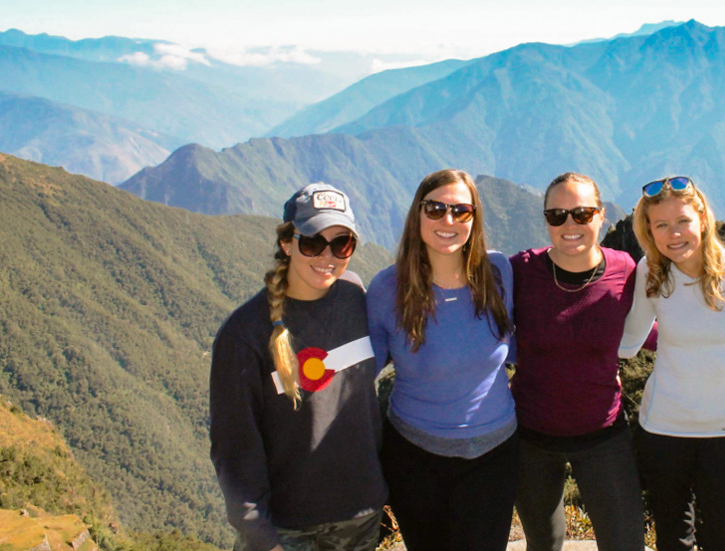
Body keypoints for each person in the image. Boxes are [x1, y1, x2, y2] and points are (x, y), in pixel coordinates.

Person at [209, 183, 387, 551]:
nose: (328, 255)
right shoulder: (245, 334)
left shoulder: (355, 295)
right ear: (288, 243)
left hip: (363, 517)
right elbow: (234, 447)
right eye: (312, 242)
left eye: (342, 243)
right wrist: (260, 535)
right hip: (288, 530)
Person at [366, 169, 517, 551]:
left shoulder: (498, 272)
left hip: (493, 455)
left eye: (460, 211)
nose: (447, 221)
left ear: (474, 218)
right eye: (435, 209)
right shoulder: (387, 289)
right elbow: (360, 370)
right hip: (415, 458)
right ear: (417, 215)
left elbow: (517, 345)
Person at [619, 175, 725, 551]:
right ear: (649, 232)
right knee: (673, 541)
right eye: (661, 226)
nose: (674, 234)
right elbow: (628, 343)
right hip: (662, 431)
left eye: (683, 221)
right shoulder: (650, 273)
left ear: (702, 218)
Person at [510, 172, 646, 551]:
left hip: (603, 434)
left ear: (601, 216)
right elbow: (480, 326)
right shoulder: (520, 270)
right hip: (530, 437)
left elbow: (649, 335)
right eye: (557, 216)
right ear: (546, 221)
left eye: (582, 214)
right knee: (544, 544)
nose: (570, 225)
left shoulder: (625, 270)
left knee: (625, 543)